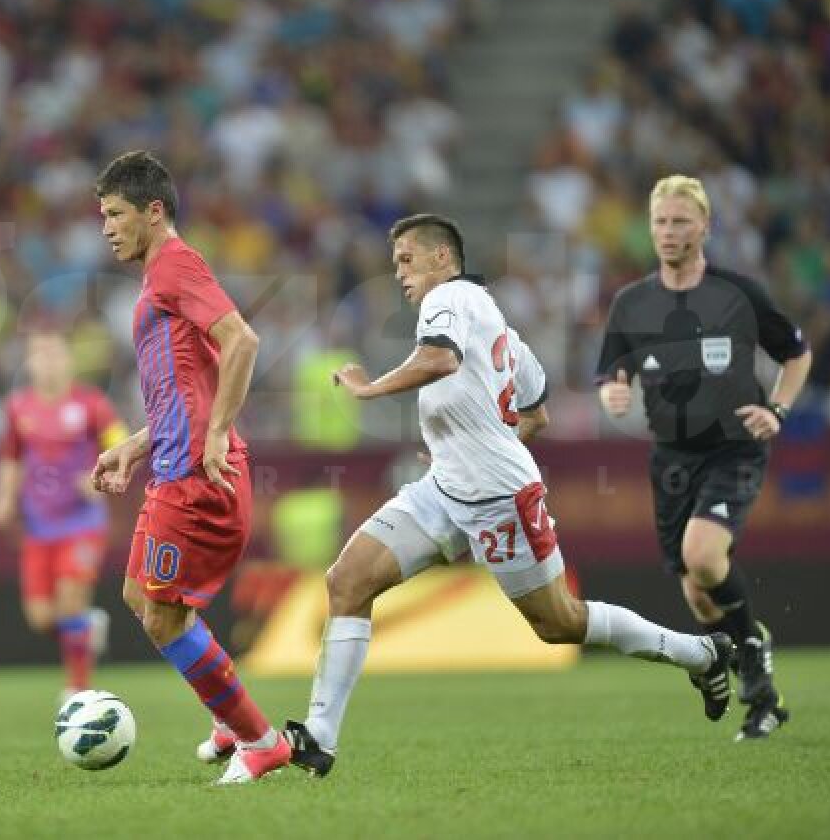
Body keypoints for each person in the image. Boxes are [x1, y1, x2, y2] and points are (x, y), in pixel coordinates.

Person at [283, 213, 736, 777]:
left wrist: (370, 388)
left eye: (406, 259)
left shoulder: (446, 298)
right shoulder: (497, 324)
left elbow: (440, 358)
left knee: (560, 624)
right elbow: (536, 413)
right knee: (347, 581)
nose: (399, 272)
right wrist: (471, 445)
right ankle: (319, 740)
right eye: (395, 262)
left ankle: (702, 654)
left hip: (499, 497)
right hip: (446, 486)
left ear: (442, 259)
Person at [89, 150, 291, 784]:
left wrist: (219, 434)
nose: (107, 227)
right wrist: (135, 444)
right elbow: (189, 389)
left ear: (154, 212)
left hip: (198, 478)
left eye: (116, 213)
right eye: (102, 216)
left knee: (162, 616)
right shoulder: (157, 279)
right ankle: (230, 719)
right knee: (138, 595)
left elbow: (243, 340)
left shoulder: (176, 263)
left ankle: (262, 741)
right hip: (171, 466)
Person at [595, 175, 811, 740]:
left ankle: (753, 671)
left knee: (704, 555)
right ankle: (743, 662)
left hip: (734, 447)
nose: (669, 232)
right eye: (661, 221)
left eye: (681, 221)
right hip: (671, 458)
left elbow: (797, 353)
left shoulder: (738, 293)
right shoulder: (631, 302)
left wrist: (780, 411)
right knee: (697, 588)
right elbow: (612, 370)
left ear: (705, 226)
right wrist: (612, 391)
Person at [0, 328, 128, 695]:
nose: (47, 362)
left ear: (68, 361)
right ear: (29, 363)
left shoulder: (91, 404)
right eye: (39, 354)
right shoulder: (19, 407)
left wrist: (101, 476)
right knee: (41, 618)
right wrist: (4, 498)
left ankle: (77, 687)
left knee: (70, 602)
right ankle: (86, 628)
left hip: (82, 521)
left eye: (54, 354)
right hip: (38, 525)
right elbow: (11, 458)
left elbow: (121, 444)